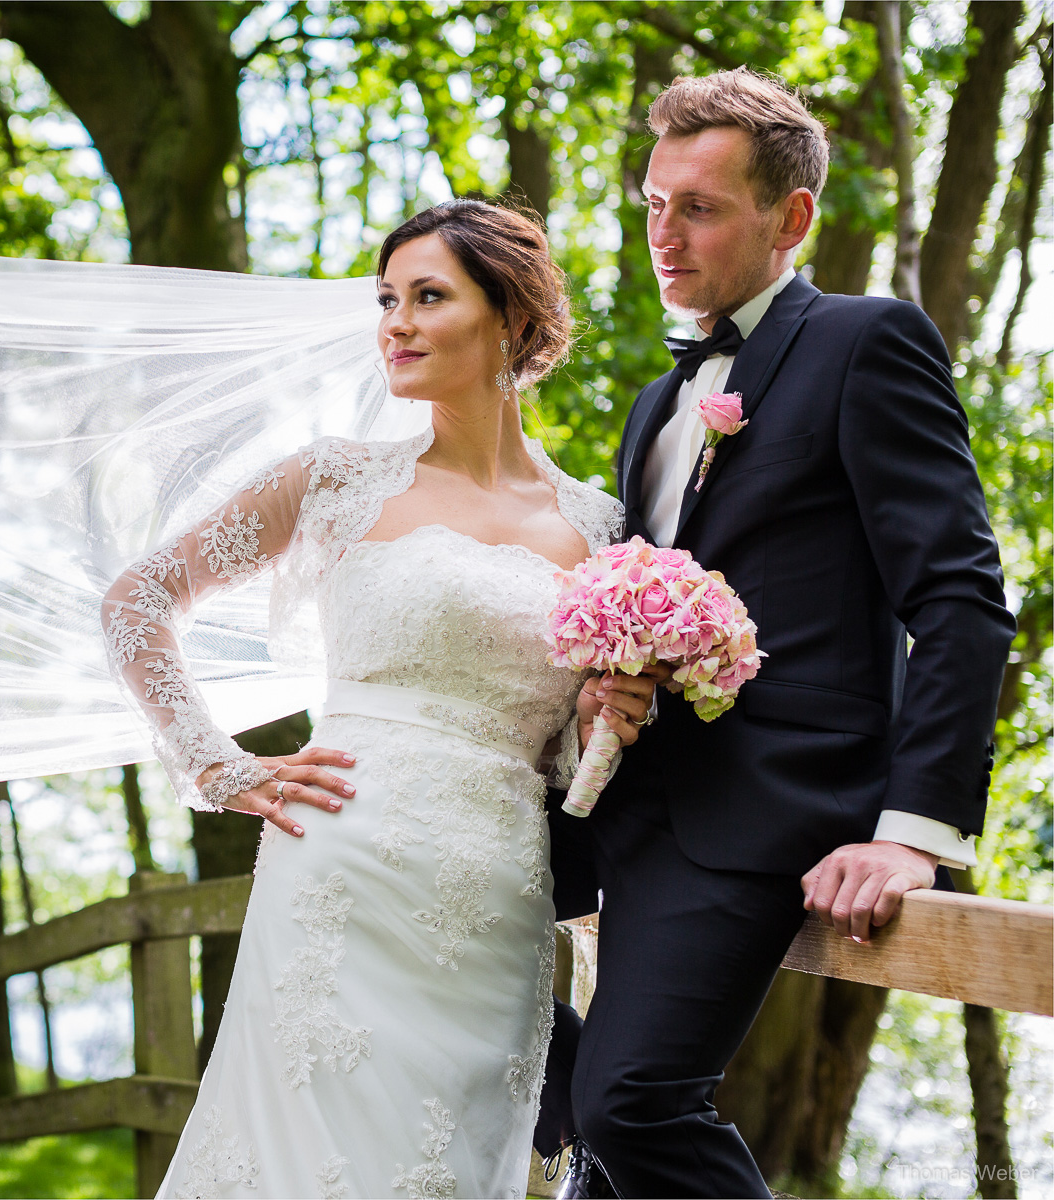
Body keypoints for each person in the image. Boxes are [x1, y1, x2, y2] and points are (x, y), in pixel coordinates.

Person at [102, 199, 658, 1199]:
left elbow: (571, 764)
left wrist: (601, 723)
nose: (394, 323)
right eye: (387, 300)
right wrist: (219, 764)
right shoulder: (334, 480)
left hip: (495, 892)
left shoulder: (597, 525)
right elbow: (137, 599)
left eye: (428, 297)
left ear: (512, 320)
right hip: (340, 871)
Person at [537, 68, 1015, 1199]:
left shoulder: (867, 342)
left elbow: (957, 596)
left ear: (789, 216)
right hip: (619, 812)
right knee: (503, 1040)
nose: (666, 232)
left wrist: (912, 834)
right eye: (654, 203)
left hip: (764, 812)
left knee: (631, 1101)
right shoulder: (659, 404)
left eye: (698, 207)